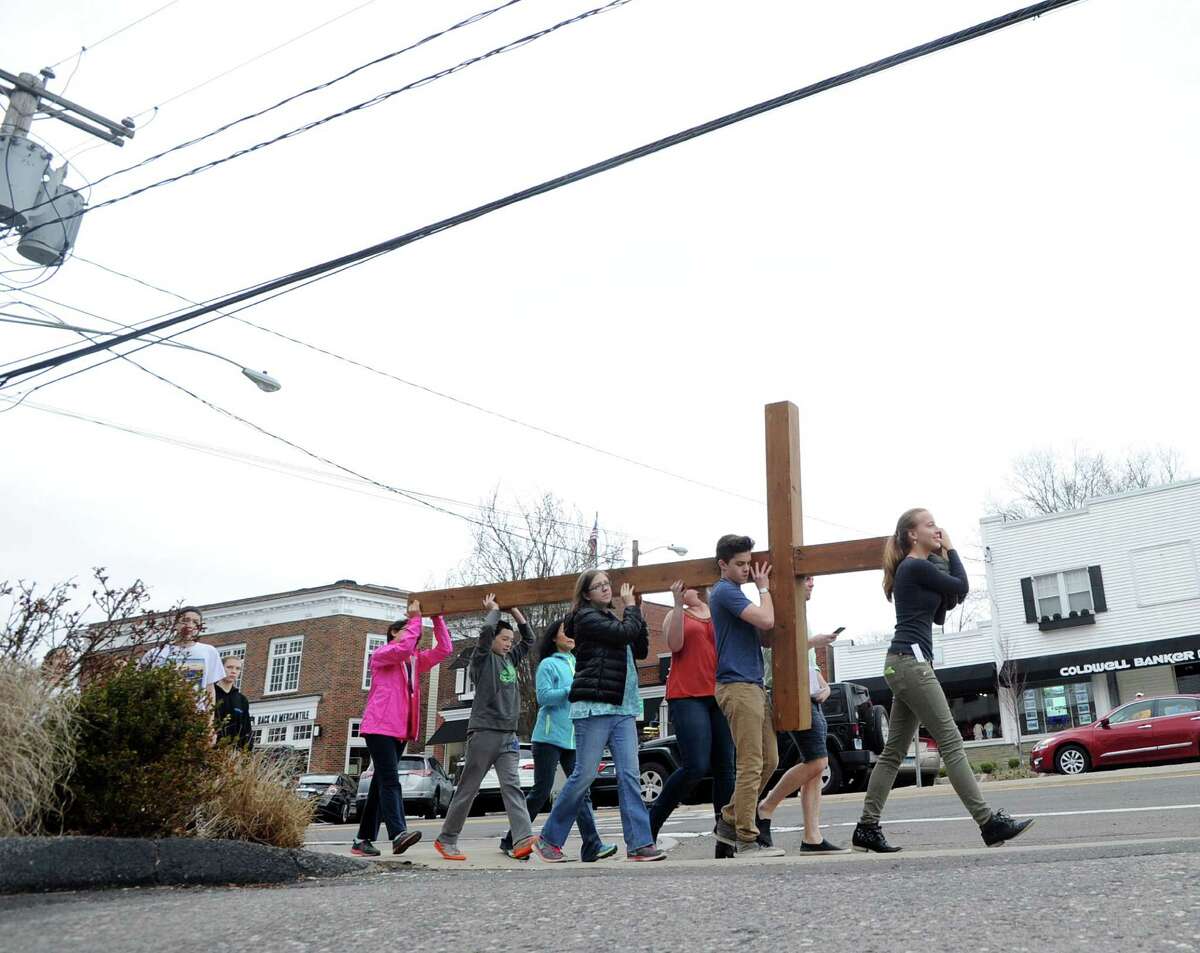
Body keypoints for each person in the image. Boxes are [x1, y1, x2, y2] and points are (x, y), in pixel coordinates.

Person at [853, 509, 1035, 853]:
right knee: (951, 741)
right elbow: (962, 586)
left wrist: (943, 562)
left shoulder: (919, 569)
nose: (937, 528)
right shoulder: (913, 566)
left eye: (937, 525)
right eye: (930, 524)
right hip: (910, 663)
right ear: (911, 534)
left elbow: (943, 609)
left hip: (904, 664)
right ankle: (988, 823)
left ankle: (866, 828)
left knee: (893, 754)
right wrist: (950, 550)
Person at [533, 571, 665, 862]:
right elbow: (623, 635)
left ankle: (640, 844)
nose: (606, 589)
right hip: (595, 706)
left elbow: (640, 648)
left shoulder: (616, 620)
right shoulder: (584, 619)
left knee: (630, 775)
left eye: (607, 584)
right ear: (586, 594)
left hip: (623, 708)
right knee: (584, 775)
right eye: (599, 586)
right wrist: (631, 609)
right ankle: (549, 839)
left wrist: (638, 612)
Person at [497, 618, 617, 861]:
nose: (571, 635)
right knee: (541, 792)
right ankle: (512, 839)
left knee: (581, 792)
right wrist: (571, 688)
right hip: (548, 738)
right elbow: (543, 697)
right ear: (554, 637)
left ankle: (592, 845)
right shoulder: (548, 664)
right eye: (566, 632)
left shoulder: (577, 661)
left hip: (574, 738)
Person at [435, 596, 537, 861]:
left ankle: (523, 839)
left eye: (509, 641)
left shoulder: (510, 660)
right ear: (493, 639)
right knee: (469, 788)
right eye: (504, 639)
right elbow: (484, 634)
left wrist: (516, 612)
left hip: (508, 735)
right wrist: (493, 612)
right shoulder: (481, 660)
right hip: (484, 733)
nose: (508, 644)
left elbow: (529, 641)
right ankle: (447, 839)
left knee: (512, 787)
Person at [352, 599, 452, 857]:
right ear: (394, 633)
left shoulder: (415, 660)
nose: (414, 635)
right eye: (406, 629)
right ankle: (398, 834)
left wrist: (437, 618)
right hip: (379, 726)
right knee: (389, 780)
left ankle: (362, 839)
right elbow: (405, 644)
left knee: (379, 784)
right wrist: (417, 618)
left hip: (400, 729)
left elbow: (445, 649)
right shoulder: (382, 655)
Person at [708, 534, 784, 857]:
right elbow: (767, 618)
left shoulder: (736, 595)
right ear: (722, 564)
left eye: (748, 564)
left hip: (753, 684)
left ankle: (728, 819)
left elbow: (765, 636)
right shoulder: (725, 591)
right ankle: (746, 838)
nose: (746, 569)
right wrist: (764, 588)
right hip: (737, 686)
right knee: (751, 762)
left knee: (770, 759)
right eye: (739, 564)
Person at [648, 581, 736, 859]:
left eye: (696, 585)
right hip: (686, 695)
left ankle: (725, 839)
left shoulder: (718, 610)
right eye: (685, 587)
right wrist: (675, 603)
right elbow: (674, 644)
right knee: (696, 765)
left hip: (718, 693)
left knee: (726, 768)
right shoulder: (677, 614)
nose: (691, 590)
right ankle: (649, 826)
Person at [757, 574, 844, 852]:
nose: (812, 584)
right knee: (818, 763)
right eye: (806, 579)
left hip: (809, 696)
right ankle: (766, 806)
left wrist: (823, 683)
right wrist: (813, 642)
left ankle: (812, 836)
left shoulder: (801, 613)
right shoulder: (780, 610)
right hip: (788, 694)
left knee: (815, 770)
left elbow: (805, 661)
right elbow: (775, 654)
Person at [140, 607, 225, 713]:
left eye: (195, 622)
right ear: (175, 624)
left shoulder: (208, 652)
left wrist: (209, 723)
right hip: (160, 714)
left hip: (194, 716)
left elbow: (210, 690)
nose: (190, 625)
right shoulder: (155, 654)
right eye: (185, 620)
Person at [213, 657, 253, 750]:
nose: (233, 671)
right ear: (220, 668)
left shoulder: (242, 700)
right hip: (210, 750)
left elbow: (246, 730)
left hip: (233, 754)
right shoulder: (210, 693)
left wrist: (246, 754)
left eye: (237, 668)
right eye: (230, 667)